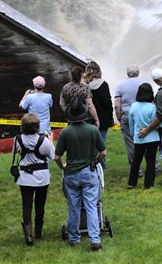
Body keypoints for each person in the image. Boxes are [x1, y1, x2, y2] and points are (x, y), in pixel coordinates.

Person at [54, 99, 107, 251]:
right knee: (91, 206)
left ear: (69, 116)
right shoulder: (92, 130)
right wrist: (95, 162)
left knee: (73, 207)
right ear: (84, 114)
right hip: (89, 173)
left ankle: (74, 238)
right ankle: (94, 240)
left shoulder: (65, 132)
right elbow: (103, 152)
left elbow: (57, 157)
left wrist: (63, 166)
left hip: (71, 174)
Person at [13, 113, 55, 246]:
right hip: (42, 177)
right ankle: (38, 232)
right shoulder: (44, 140)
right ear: (37, 126)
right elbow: (53, 156)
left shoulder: (17, 139)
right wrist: (51, 141)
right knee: (40, 204)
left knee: (26, 205)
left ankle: (29, 236)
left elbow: (16, 152)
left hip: (25, 177)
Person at [128, 83, 162, 189]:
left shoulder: (133, 106)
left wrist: (133, 135)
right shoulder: (152, 108)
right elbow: (157, 123)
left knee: (136, 161)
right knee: (150, 162)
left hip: (138, 138)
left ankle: (131, 183)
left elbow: (131, 123)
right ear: (151, 94)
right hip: (152, 138)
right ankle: (148, 185)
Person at [114, 64, 157, 177]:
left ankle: (137, 171)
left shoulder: (120, 85)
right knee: (148, 140)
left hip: (127, 115)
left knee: (131, 144)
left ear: (127, 73)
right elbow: (152, 101)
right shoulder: (144, 83)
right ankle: (154, 167)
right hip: (145, 115)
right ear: (138, 72)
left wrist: (119, 117)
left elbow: (117, 105)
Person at [83, 61, 114, 169]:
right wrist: (111, 115)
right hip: (103, 120)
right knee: (101, 145)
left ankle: (88, 167)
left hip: (88, 120)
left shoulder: (85, 86)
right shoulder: (104, 84)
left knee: (89, 146)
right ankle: (100, 168)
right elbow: (108, 102)